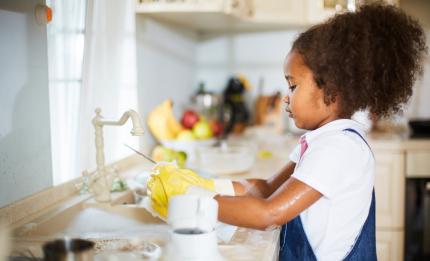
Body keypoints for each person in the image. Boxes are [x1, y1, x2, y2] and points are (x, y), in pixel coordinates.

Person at [147, 3, 427, 260]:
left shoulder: (338, 149)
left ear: (332, 89)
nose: (285, 97)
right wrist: (204, 185)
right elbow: (267, 188)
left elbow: (269, 213)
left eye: (293, 86)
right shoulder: (323, 139)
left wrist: (190, 203)